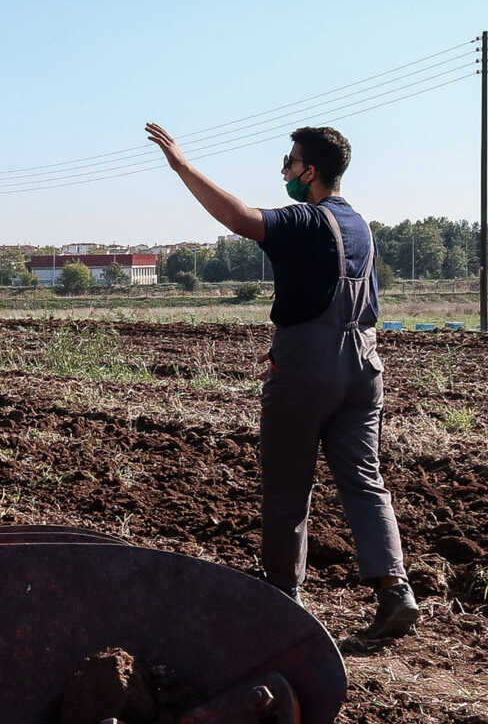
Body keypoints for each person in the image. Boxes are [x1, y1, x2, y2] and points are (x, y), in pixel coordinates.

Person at [144, 122, 420, 642]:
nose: (285, 171)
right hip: (364, 365)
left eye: (290, 163)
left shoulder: (305, 220)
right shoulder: (360, 224)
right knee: (364, 481)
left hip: (307, 367)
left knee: (289, 488)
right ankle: (394, 591)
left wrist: (181, 165)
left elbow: (238, 217)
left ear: (310, 172)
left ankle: (282, 599)